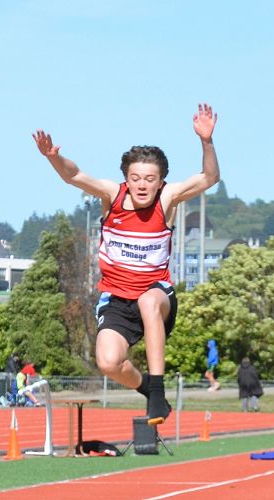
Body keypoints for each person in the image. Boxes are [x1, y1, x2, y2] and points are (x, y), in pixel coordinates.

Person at [33, 103, 220, 425]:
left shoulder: (167, 199)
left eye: (150, 179)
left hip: (156, 294)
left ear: (161, 181)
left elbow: (209, 177)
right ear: (127, 179)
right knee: (109, 362)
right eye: (136, 178)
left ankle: (158, 393)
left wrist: (206, 141)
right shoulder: (112, 196)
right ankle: (146, 387)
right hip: (117, 299)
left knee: (148, 301)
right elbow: (74, 175)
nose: (143, 185)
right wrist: (53, 157)